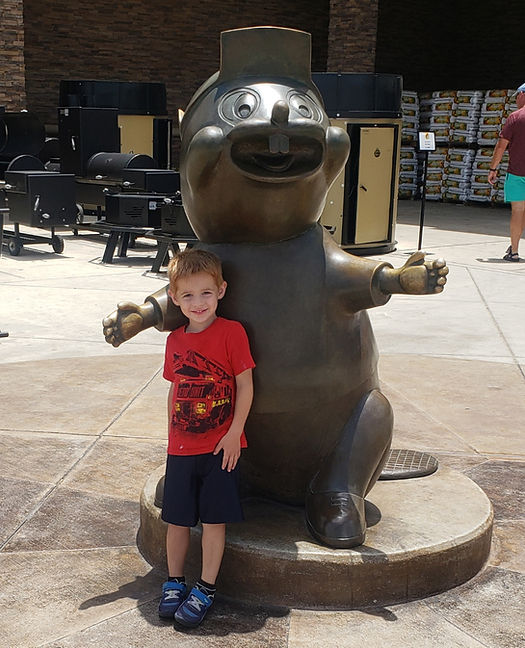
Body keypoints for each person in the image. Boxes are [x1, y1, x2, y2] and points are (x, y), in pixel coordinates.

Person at [157, 248, 255, 628]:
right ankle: (174, 581)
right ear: (173, 297)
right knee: (176, 521)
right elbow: (175, 388)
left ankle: (206, 588)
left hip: (220, 448)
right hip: (180, 448)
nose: (198, 303)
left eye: (206, 293)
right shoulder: (175, 341)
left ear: (222, 290)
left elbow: (245, 387)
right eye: (188, 295)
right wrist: (171, 435)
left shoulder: (232, 333)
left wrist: (234, 434)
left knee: (215, 522)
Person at [488, 82, 525, 261]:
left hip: (517, 173)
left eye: (517, 97)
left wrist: (493, 168)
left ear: (522, 95)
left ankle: (515, 252)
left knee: (518, 211)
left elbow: (502, 145)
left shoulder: (515, 117)